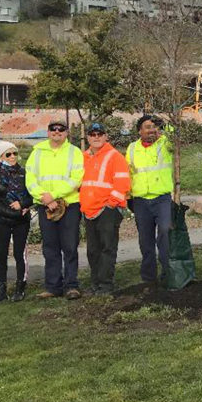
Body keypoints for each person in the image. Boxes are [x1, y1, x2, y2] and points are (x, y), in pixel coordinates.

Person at [26, 119, 84, 299]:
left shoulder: (74, 152)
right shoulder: (37, 152)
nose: (57, 132)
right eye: (53, 129)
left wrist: (55, 196)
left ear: (67, 132)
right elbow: (30, 178)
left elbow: (76, 178)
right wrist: (44, 197)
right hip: (45, 205)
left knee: (69, 246)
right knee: (50, 247)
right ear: (48, 132)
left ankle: (71, 286)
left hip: (69, 205)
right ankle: (53, 287)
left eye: (61, 129)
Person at [80, 122, 130, 295]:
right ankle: (95, 283)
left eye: (99, 134)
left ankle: (106, 285)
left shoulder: (114, 156)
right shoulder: (84, 157)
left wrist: (111, 203)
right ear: (88, 137)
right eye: (93, 134)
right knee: (93, 250)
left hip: (108, 209)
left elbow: (123, 182)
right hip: (89, 210)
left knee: (107, 248)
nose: (96, 137)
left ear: (105, 136)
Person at [0, 139, 33, 304]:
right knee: (0, 255)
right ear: (0, 157)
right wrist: (12, 213)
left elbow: (33, 194)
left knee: (20, 255)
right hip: (1, 220)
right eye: (9, 154)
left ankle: (20, 289)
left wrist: (24, 204)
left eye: (15, 153)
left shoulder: (26, 173)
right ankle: (0, 291)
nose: (13, 157)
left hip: (22, 221)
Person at [126, 115, 173, 284]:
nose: (151, 129)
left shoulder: (165, 143)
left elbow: (176, 134)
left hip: (162, 198)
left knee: (165, 234)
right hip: (140, 200)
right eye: (147, 127)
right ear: (139, 131)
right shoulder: (132, 148)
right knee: (145, 240)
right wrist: (128, 196)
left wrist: (164, 125)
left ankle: (168, 273)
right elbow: (128, 173)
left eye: (154, 126)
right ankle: (148, 278)